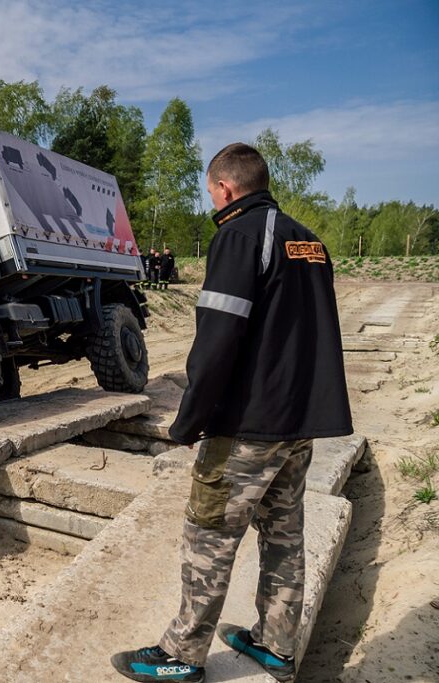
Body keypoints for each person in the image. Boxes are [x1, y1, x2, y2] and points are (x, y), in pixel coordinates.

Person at [111, 143, 352, 683]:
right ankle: (275, 644)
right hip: (300, 422)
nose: (211, 199)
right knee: (284, 534)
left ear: (224, 188)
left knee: (208, 536)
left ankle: (181, 656)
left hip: (249, 424)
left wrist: (191, 417)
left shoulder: (239, 236)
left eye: (210, 190)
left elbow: (218, 340)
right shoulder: (310, 242)